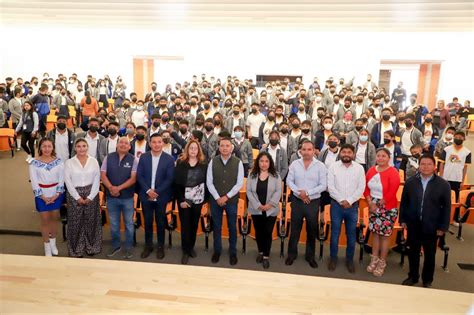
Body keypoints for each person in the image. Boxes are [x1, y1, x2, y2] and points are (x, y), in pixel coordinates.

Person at [400, 155, 451, 288]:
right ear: (419, 165)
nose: (425, 167)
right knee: (413, 253)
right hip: (413, 224)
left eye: (429, 164)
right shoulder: (411, 182)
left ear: (434, 167)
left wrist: (443, 227)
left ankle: (427, 279)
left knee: (430, 255)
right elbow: (404, 202)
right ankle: (413, 277)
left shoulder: (443, 184)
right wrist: (403, 219)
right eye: (423, 164)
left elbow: (447, 208)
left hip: (432, 226)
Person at [286, 140, 327, 268]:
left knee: (311, 230)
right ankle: (291, 255)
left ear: (314, 150)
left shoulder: (320, 166)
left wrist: (307, 193)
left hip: (313, 202)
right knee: (295, 230)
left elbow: (323, 185)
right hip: (297, 201)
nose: (306, 152)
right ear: (300, 150)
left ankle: (310, 256)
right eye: (304, 149)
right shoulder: (294, 164)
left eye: (309, 149)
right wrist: (300, 194)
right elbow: (289, 181)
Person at [327, 144, 366, 273]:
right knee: (335, 234)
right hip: (336, 206)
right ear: (340, 153)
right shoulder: (333, 167)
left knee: (351, 235)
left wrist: (349, 201)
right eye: (344, 152)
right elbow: (330, 187)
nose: (346, 154)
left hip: (352, 206)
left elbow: (361, 188)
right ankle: (333, 258)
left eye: (349, 152)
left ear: (353, 154)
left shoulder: (359, 169)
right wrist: (341, 200)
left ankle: (349, 260)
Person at [136, 133, 175, 259]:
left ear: (163, 143)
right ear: (150, 143)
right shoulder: (144, 157)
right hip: (146, 195)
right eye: (154, 142)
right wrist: (148, 191)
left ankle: (160, 247)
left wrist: (156, 192)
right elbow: (139, 176)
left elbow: (169, 179)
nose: (157, 144)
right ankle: (148, 246)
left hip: (161, 196)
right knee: (147, 222)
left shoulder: (169, 159)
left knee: (160, 222)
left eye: (159, 142)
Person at [206, 136, 244, 265]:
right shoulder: (213, 161)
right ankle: (217, 251)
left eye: (227, 145)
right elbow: (209, 182)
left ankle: (232, 252)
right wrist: (217, 197)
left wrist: (226, 197)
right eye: (222, 146)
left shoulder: (238, 162)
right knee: (216, 227)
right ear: (219, 147)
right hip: (215, 201)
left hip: (231, 201)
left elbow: (239, 184)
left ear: (231, 147)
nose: (224, 148)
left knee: (232, 227)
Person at [364, 148, 400, 277]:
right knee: (375, 234)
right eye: (378, 156)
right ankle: (374, 259)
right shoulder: (371, 170)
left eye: (383, 156)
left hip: (387, 207)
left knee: (384, 236)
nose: (380, 158)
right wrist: (370, 202)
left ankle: (382, 262)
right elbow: (366, 188)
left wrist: (378, 205)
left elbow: (392, 191)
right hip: (372, 204)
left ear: (388, 158)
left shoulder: (393, 172)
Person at [100, 137, 138, 259]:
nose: (123, 144)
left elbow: (133, 179)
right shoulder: (108, 157)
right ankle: (116, 245)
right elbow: (103, 174)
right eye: (120, 142)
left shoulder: (134, 160)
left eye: (126, 143)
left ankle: (128, 247)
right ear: (116, 145)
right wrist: (111, 188)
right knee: (114, 224)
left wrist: (118, 188)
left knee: (129, 224)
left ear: (129, 146)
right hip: (111, 197)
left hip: (127, 198)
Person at [64, 139, 102, 257]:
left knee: (92, 222)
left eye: (84, 146)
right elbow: (67, 181)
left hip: (92, 194)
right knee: (76, 223)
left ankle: (91, 247)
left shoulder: (94, 161)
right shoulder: (69, 163)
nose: (81, 148)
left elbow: (97, 180)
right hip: (74, 195)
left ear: (87, 147)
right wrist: (77, 197)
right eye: (79, 146)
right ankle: (76, 249)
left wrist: (91, 197)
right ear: (75, 148)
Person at [174, 140, 208, 264]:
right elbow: (176, 184)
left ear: (198, 150)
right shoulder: (181, 164)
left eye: (195, 148)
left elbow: (207, 183)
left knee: (194, 225)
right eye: (191, 148)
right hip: (184, 200)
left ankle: (191, 247)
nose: (193, 150)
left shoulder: (204, 164)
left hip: (198, 200)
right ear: (187, 150)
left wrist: (205, 200)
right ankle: (185, 250)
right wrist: (181, 200)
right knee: (185, 225)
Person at [29, 138, 65, 256]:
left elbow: (61, 180)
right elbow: (34, 181)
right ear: (39, 148)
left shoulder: (59, 162)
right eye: (44, 146)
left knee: (54, 219)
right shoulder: (34, 163)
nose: (47, 149)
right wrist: (42, 196)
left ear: (53, 148)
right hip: (41, 195)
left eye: (49, 146)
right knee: (45, 221)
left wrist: (56, 195)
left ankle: (53, 244)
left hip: (56, 194)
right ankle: (47, 247)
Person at [246, 152, 282, 269]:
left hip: (271, 210)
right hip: (256, 209)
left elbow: (278, 191)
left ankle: (266, 256)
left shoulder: (276, 175)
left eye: (266, 161)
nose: (264, 164)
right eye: (261, 161)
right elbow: (249, 191)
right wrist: (258, 205)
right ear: (258, 162)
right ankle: (260, 252)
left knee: (267, 232)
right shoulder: (252, 174)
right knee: (258, 232)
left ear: (270, 162)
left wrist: (270, 204)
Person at [439, 131, 471, 224]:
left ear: (464, 139)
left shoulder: (467, 152)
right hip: (445, 179)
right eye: (456, 137)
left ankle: (454, 219)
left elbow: (465, 167)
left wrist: (462, 181)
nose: (458, 138)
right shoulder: (447, 149)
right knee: (443, 199)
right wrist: (441, 177)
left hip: (457, 179)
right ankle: (441, 217)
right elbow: (442, 163)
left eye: (460, 137)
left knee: (455, 200)